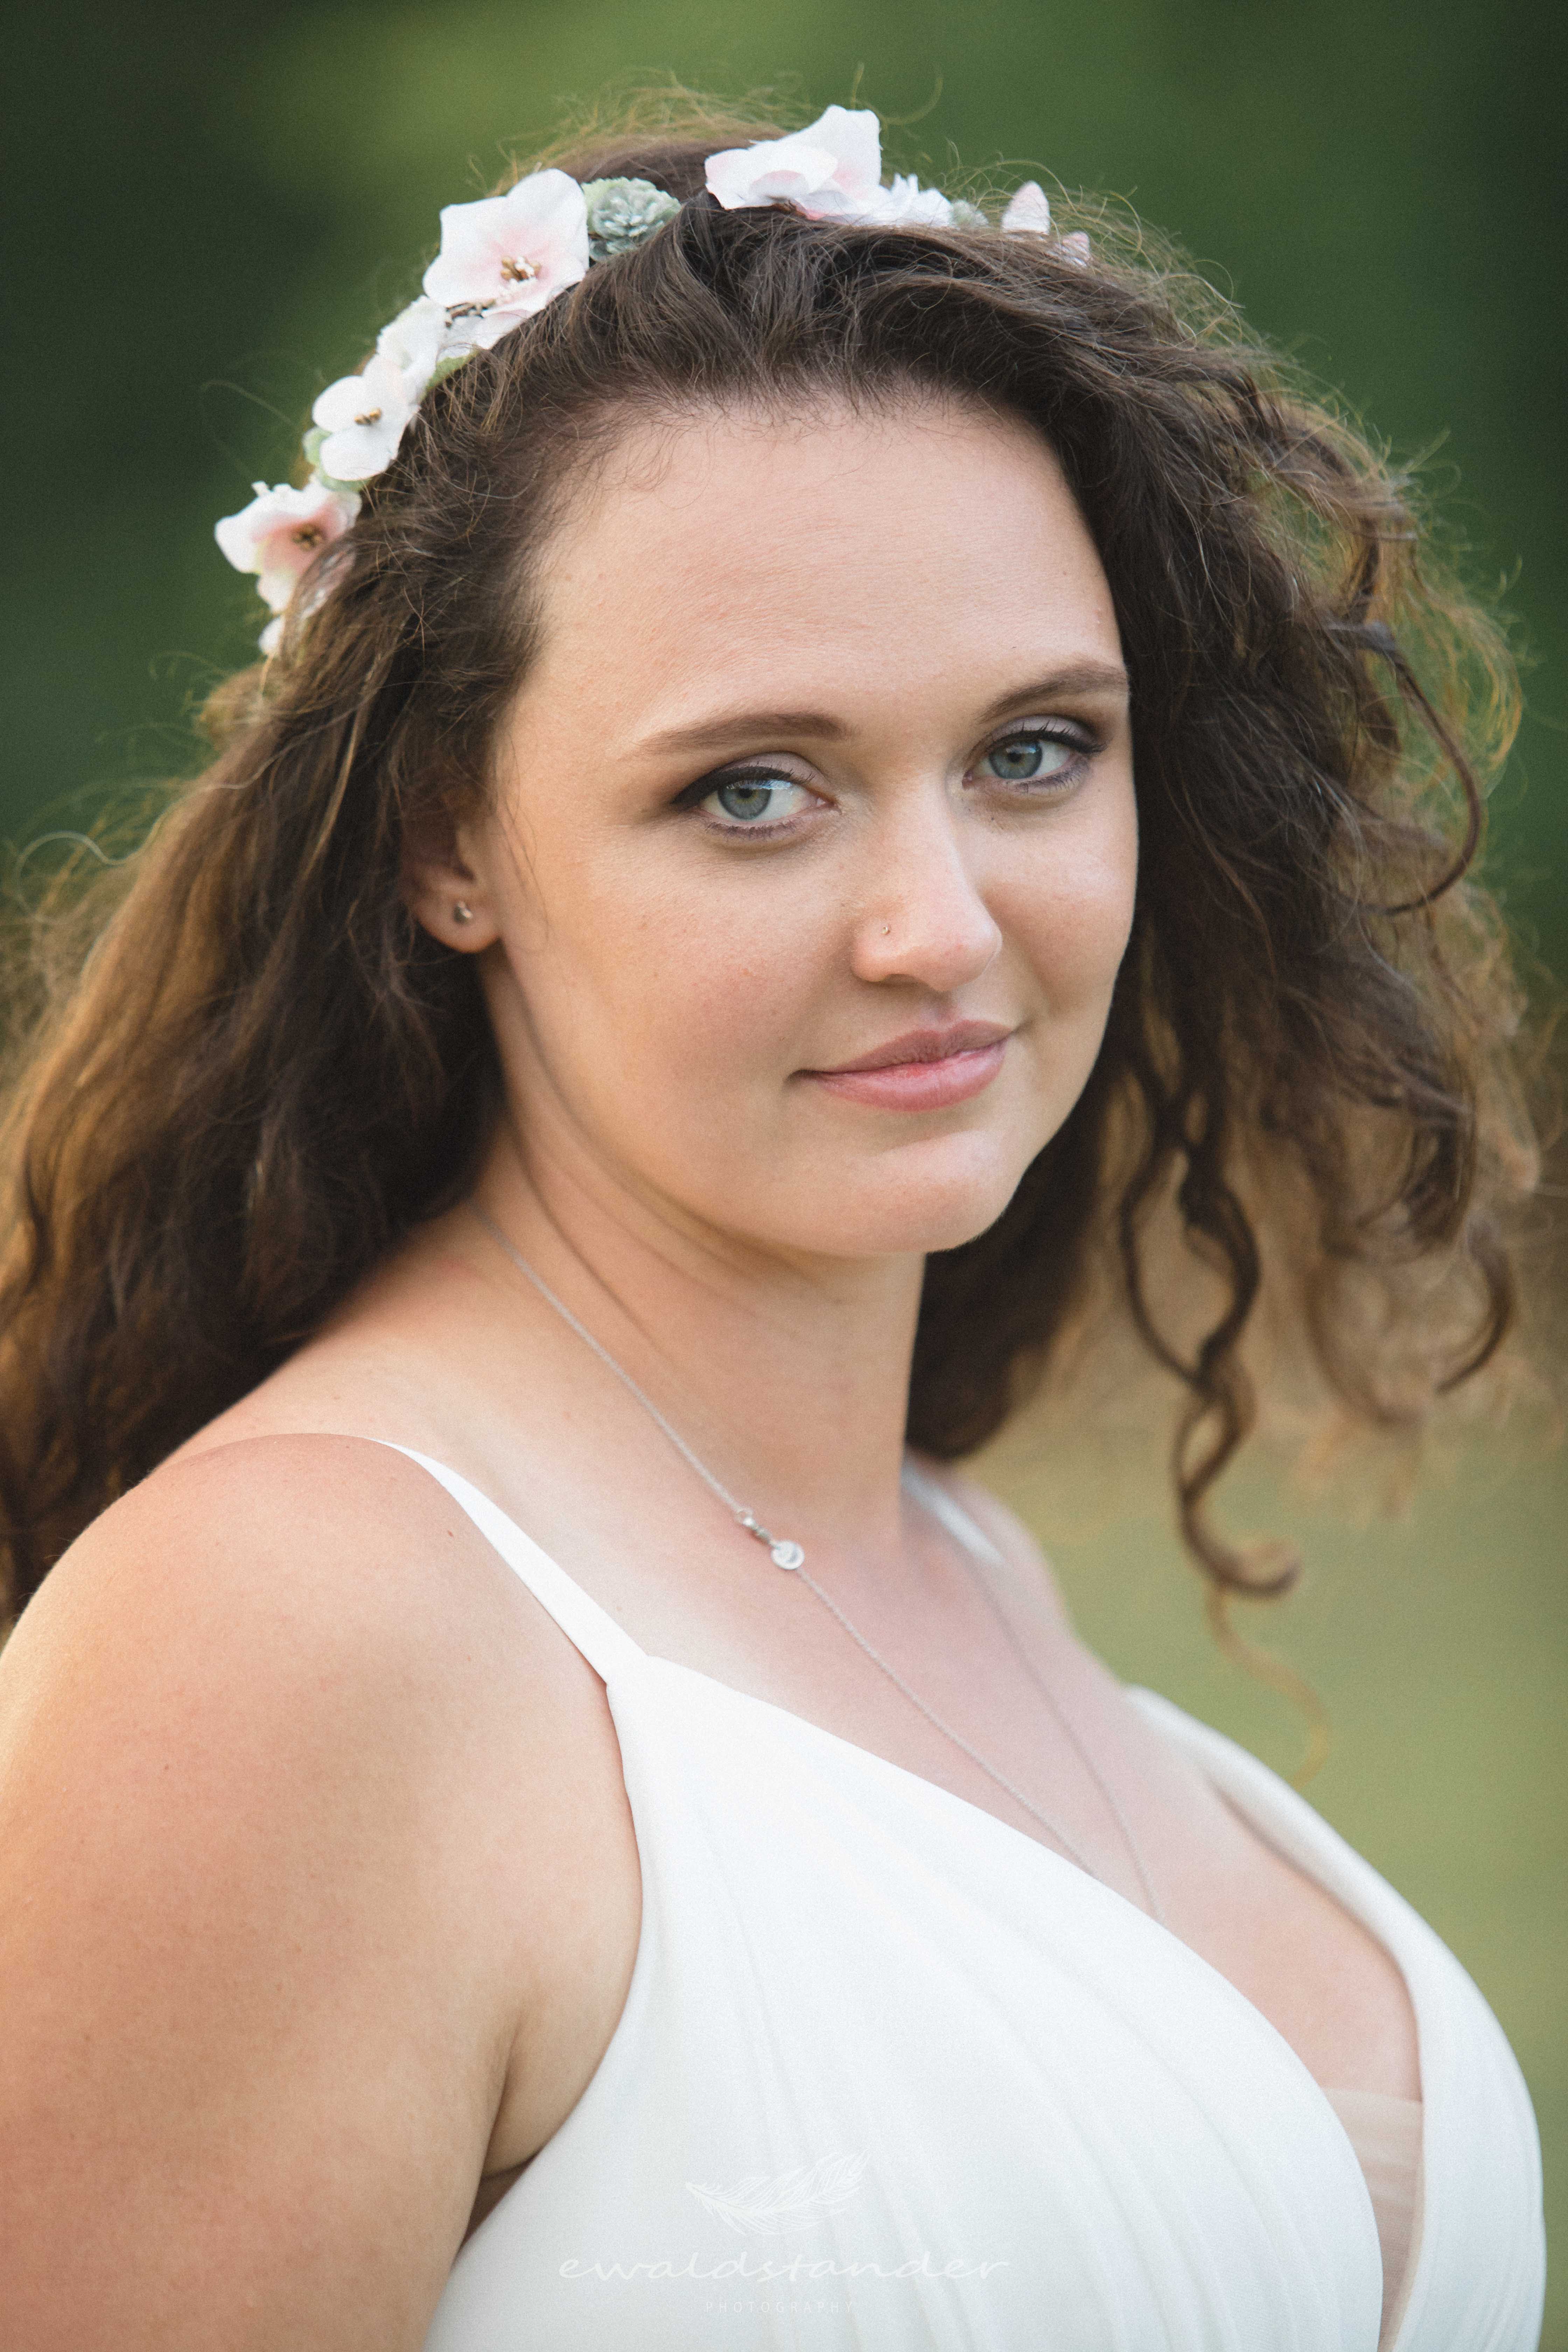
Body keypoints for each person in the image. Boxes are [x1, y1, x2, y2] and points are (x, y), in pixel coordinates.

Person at [0, 93, 1548, 2352]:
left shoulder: (948, 1547)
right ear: (446, 843)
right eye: (754, 791)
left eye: (1034, 751)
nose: (943, 928)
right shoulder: (286, 1638)